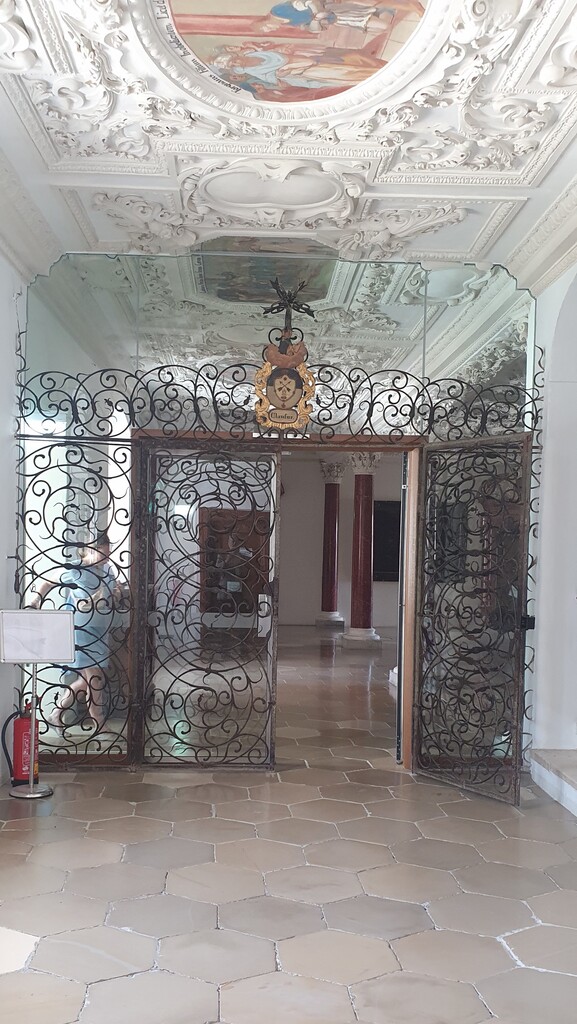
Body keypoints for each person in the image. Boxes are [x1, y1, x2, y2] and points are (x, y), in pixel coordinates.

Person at [29, 532, 121, 730]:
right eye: (103, 554)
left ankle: (56, 713)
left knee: (86, 680)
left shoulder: (108, 570)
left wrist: (116, 594)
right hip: (81, 630)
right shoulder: (76, 568)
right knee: (95, 677)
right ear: (91, 549)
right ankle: (99, 722)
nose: (106, 559)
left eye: (108, 554)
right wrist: (36, 601)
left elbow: (113, 593)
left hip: (100, 629)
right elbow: (48, 582)